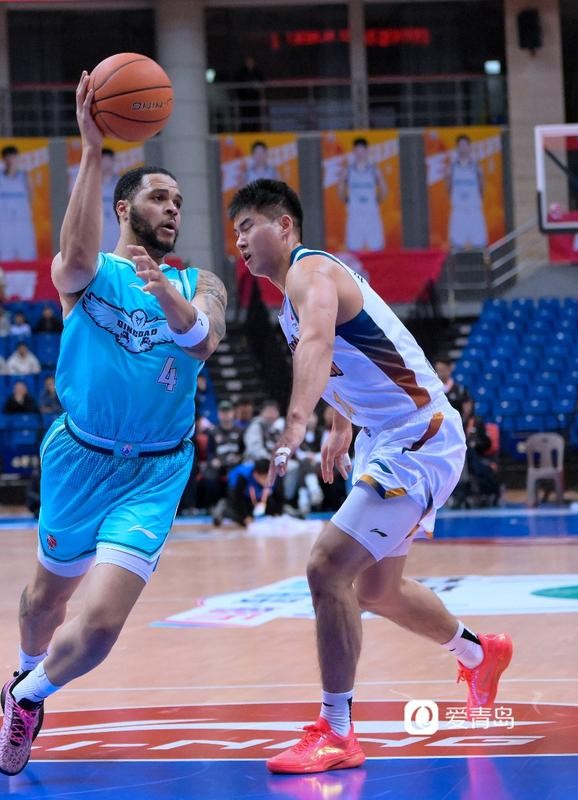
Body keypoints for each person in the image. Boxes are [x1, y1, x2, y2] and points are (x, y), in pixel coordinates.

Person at [229, 179, 512, 774]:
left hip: (417, 434)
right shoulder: (297, 297)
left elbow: (318, 343)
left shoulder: (311, 273)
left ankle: (337, 731)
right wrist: (342, 422)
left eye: (248, 226)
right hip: (386, 435)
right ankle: (479, 654)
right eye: (235, 233)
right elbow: (345, 355)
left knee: (326, 568)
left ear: (284, 225)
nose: (240, 242)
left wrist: (298, 422)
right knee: (379, 590)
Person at [0, 71, 227, 777]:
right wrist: (92, 148)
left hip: (154, 470)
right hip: (79, 457)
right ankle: (26, 668)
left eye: (178, 201)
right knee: (44, 600)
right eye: (159, 196)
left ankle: (27, 698)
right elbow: (69, 260)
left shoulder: (199, 282)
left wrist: (170, 300)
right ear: (124, 207)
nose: (172, 208)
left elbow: (204, 340)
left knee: (96, 628)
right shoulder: (90, 274)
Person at [0, 145, 38, 261]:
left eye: (13, 157)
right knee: (4, 256)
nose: (11, 161)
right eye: (8, 158)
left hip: (23, 223)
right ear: (3, 159)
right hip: (4, 224)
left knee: (27, 256)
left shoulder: (25, 177)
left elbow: (31, 198)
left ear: (17, 158)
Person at [340, 138, 386, 252]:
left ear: (366, 151)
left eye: (362, 150)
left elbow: (383, 189)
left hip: (371, 213)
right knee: (353, 246)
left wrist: (376, 202)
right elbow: (341, 189)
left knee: (376, 246)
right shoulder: (348, 170)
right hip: (355, 213)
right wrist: (347, 201)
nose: (360, 154)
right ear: (354, 151)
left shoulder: (374, 170)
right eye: (357, 150)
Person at [447, 134, 488, 249]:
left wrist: (475, 200)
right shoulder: (452, 167)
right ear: (457, 148)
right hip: (459, 211)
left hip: (474, 210)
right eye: (460, 145)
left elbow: (482, 186)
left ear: (469, 147)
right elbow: (448, 187)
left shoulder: (477, 166)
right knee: (456, 245)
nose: (463, 148)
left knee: (479, 243)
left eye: (465, 145)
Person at [100, 148, 121, 253]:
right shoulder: (90, 184)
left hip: (116, 229)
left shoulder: (121, 183)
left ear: (113, 161)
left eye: (108, 160)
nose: (105, 164)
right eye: (103, 160)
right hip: (98, 230)